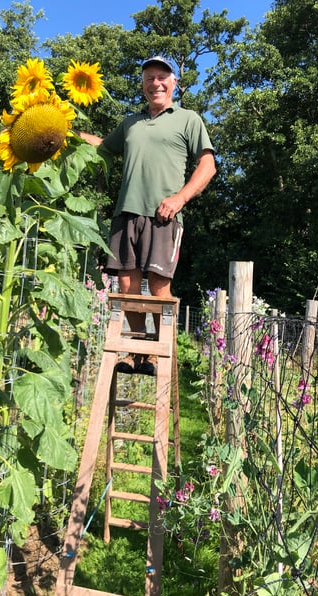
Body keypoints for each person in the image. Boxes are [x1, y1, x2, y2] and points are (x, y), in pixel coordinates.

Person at [78, 56, 216, 375]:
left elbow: (208, 166)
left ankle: (156, 354)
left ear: (174, 82)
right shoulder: (130, 122)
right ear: (143, 85)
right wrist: (68, 135)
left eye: (162, 77)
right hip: (126, 212)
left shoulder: (187, 119)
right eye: (149, 78)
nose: (156, 83)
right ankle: (136, 352)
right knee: (127, 287)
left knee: (158, 289)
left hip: (163, 217)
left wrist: (180, 199)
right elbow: (102, 148)